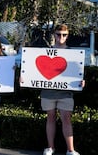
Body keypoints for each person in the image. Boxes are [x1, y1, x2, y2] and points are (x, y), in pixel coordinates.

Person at [42, 24, 84, 155]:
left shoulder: (73, 53)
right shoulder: (45, 52)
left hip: (66, 92)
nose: (61, 37)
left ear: (67, 36)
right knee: (50, 117)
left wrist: (82, 80)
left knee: (66, 118)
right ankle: (50, 147)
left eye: (64, 35)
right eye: (58, 34)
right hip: (48, 92)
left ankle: (70, 149)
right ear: (54, 35)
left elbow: (78, 70)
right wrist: (24, 78)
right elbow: (33, 70)